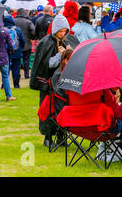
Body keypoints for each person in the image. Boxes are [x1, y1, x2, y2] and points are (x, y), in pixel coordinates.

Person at [30, 14, 80, 148]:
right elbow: (46, 64)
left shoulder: (69, 40)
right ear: (55, 30)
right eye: (60, 31)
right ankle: (48, 138)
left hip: (62, 84)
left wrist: (69, 52)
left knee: (62, 109)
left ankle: (61, 136)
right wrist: (59, 55)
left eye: (65, 31)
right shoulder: (45, 43)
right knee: (48, 110)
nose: (62, 34)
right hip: (48, 84)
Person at [3, 14, 26, 89]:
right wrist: (20, 48)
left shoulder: (2, 30)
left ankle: (4, 85)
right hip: (16, 52)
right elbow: (23, 41)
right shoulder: (17, 29)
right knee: (16, 70)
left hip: (5, 53)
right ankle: (16, 85)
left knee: (5, 70)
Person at [14, 8, 36, 79]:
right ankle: (26, 75)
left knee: (17, 61)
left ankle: (17, 75)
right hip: (27, 44)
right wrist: (32, 38)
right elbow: (33, 32)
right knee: (26, 60)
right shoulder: (28, 22)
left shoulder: (14, 21)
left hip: (16, 44)